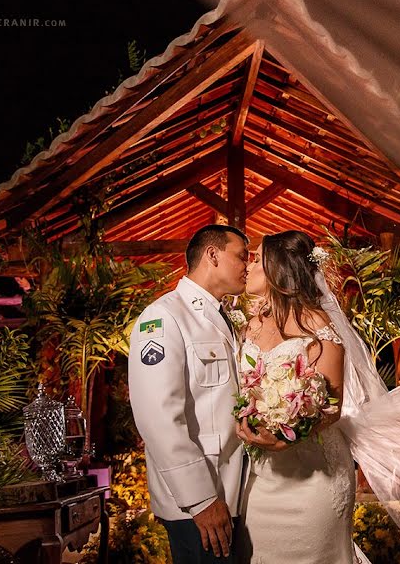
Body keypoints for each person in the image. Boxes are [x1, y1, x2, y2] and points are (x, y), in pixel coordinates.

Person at [128, 224, 251, 563]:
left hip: (233, 490)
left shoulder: (226, 317)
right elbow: (158, 417)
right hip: (199, 501)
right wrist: (201, 500)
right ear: (212, 255)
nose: (248, 265)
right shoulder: (163, 317)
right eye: (242, 256)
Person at [234, 230, 356, 564]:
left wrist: (288, 438)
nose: (248, 265)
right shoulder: (248, 327)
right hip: (261, 479)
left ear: (277, 268)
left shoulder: (318, 324)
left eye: (256, 258)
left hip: (314, 476)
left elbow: (332, 406)